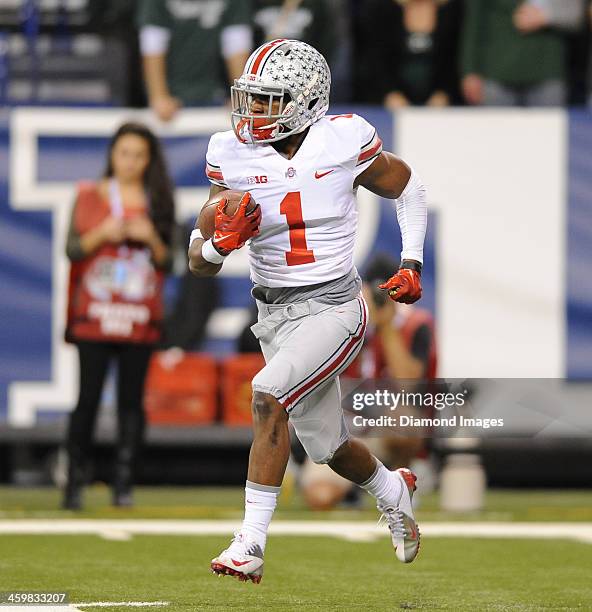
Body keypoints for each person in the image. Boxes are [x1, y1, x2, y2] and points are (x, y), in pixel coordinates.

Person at [188, 39, 427, 582]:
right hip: (273, 314)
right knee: (329, 448)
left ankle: (249, 543)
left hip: (336, 307)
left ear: (306, 100)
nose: (254, 111)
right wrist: (219, 247)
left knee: (268, 396)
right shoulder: (230, 151)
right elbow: (195, 259)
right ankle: (394, 487)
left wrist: (412, 259)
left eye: (269, 100)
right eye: (250, 98)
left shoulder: (341, 140)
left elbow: (407, 187)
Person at [63, 122, 175, 510]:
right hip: (95, 315)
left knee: (131, 403)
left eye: (138, 155)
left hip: (139, 319)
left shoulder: (157, 199)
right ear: (112, 154)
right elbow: (73, 249)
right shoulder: (89, 196)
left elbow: (172, 260)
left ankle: (123, 485)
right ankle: (74, 483)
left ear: (149, 161)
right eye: (123, 153)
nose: (130, 162)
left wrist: (152, 238)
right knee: (87, 400)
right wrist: (102, 233)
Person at [300, 253, 437, 511]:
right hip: (347, 427)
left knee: (404, 421)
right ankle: (354, 483)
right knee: (320, 498)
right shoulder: (347, 318)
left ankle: (401, 477)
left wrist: (386, 327)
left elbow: (408, 386)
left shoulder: (415, 324)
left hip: (386, 428)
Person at [137, 0, 254, 121]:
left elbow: (236, 45)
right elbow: (152, 45)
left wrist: (242, 96)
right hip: (172, 98)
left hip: (216, 93)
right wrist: (159, 96)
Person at [461, 0, 585, 107]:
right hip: (497, 73)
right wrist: (469, 71)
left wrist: (547, 16)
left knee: (546, 134)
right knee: (497, 134)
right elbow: (474, 22)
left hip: (547, 73)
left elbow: (578, 16)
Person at [355, 0, 462, 108]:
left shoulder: (451, 9)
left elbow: (453, 58)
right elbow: (374, 59)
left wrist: (444, 92)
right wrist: (389, 93)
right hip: (389, 103)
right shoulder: (381, 8)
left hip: (440, 104)